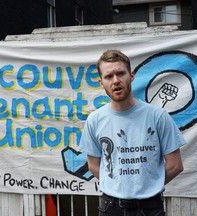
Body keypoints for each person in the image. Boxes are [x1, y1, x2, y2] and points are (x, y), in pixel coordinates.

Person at [79, 50, 185, 216]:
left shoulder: (158, 116)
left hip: (150, 208)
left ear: (132, 76)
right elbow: (94, 166)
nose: (116, 81)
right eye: (109, 76)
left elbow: (175, 165)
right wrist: (120, 185)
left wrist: (148, 186)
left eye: (121, 73)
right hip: (110, 208)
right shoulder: (94, 120)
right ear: (101, 82)